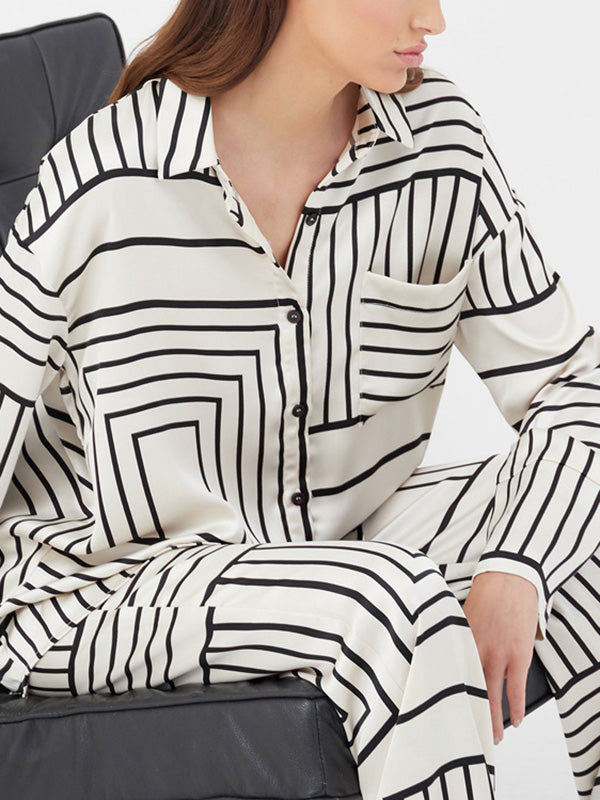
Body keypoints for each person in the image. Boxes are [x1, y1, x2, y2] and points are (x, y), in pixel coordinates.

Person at [0, 0, 599, 797]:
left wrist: (517, 565)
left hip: (332, 537)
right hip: (108, 581)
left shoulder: (439, 144)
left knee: (565, 524)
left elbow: (571, 384)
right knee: (392, 608)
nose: (434, 19)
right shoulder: (107, 176)